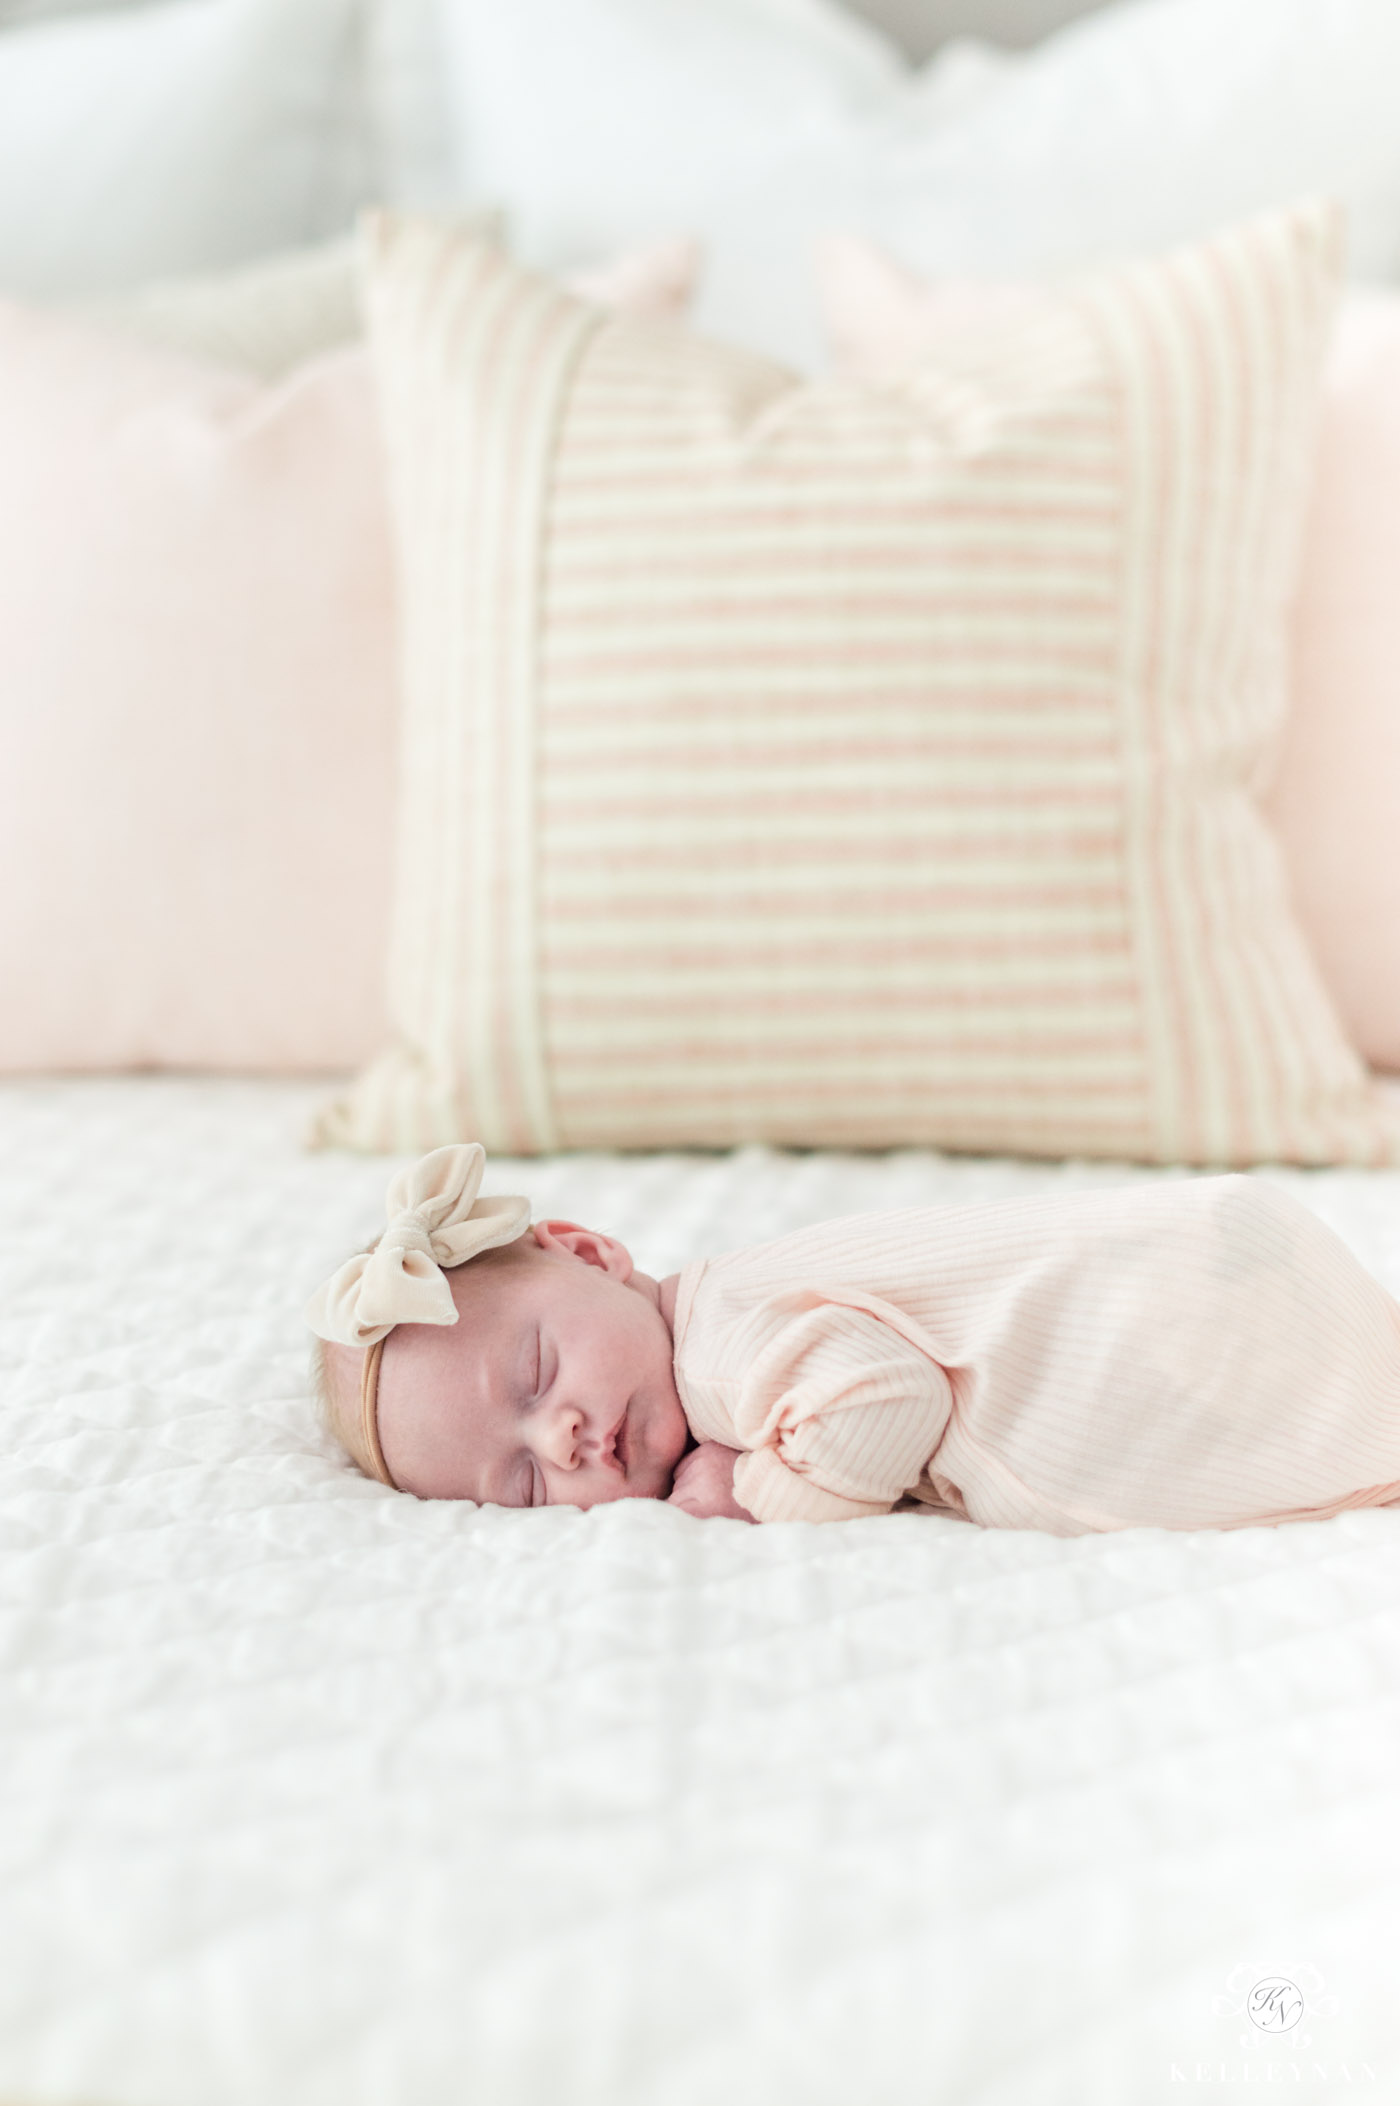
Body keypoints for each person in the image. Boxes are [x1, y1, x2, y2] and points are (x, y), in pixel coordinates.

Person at [306, 1145, 1400, 1532]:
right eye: (519, 1485)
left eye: (536, 1373)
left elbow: (883, 1398)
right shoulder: (723, 1312)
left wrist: (760, 1491)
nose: (562, 1440)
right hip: (1212, 1265)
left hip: (1171, 1310)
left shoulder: (720, 1350)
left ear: (591, 1253)